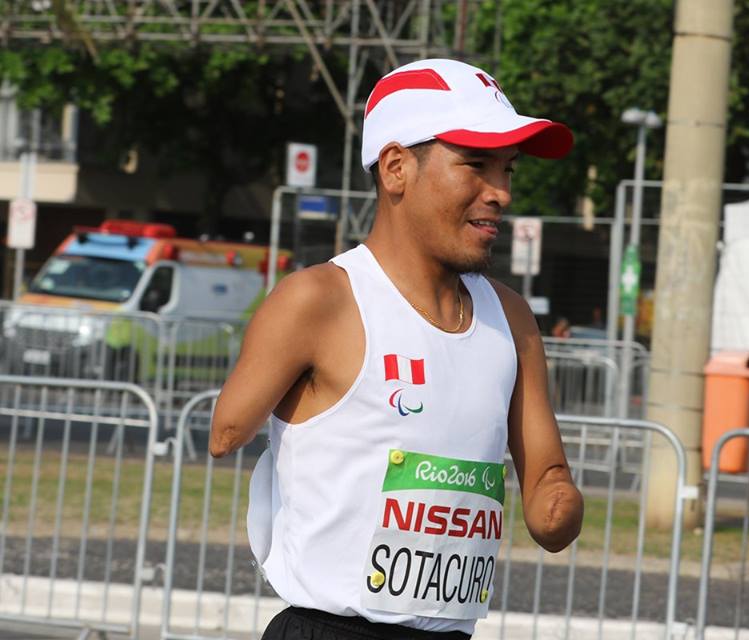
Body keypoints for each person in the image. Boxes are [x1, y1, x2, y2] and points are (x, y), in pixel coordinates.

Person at [210, 58, 583, 640]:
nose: (502, 192)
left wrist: (555, 500)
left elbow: (546, 476)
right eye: (476, 165)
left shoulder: (512, 319)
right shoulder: (320, 299)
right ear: (396, 167)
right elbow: (225, 432)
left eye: (508, 169)